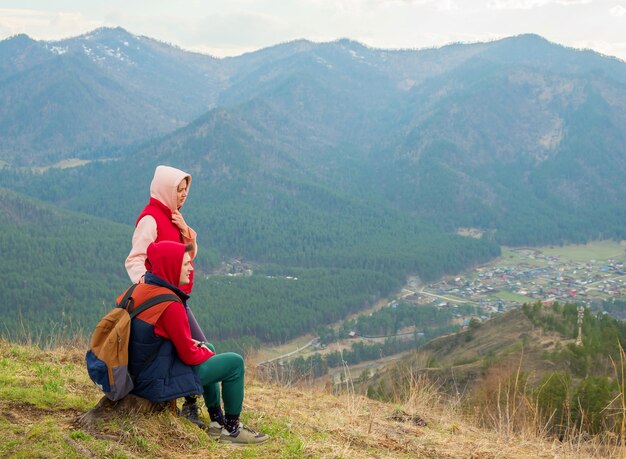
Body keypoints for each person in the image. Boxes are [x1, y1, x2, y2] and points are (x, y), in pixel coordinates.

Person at [125, 240, 269, 445]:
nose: (191, 268)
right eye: (186, 264)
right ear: (172, 266)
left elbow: (154, 337)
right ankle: (233, 430)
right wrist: (205, 354)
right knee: (234, 363)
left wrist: (202, 349)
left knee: (206, 346)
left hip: (138, 374)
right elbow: (189, 355)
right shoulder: (170, 304)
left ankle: (216, 423)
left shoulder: (138, 291)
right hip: (155, 381)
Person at [125, 165, 206, 426]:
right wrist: (149, 289)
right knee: (196, 345)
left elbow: (188, 254)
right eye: (178, 190)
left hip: (175, 297)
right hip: (162, 301)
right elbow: (135, 259)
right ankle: (193, 405)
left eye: (185, 190)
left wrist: (185, 229)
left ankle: (190, 403)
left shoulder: (173, 216)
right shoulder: (151, 219)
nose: (183, 195)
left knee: (191, 345)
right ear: (165, 190)